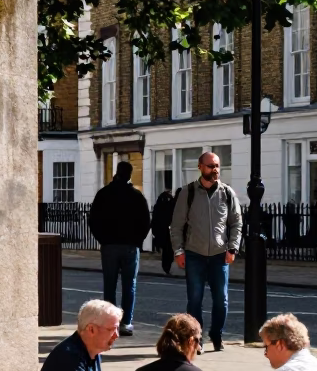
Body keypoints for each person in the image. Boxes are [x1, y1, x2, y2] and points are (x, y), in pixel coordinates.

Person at [169, 150, 242, 352]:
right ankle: (196, 339)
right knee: (195, 299)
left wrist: (233, 247)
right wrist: (178, 251)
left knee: (221, 299)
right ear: (200, 167)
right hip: (194, 254)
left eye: (217, 165)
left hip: (220, 254)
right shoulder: (188, 192)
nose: (215, 169)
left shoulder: (227, 193)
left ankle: (217, 335)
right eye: (211, 166)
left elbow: (236, 223)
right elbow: (176, 225)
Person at [88, 162, 151, 335]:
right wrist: (137, 240)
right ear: (130, 175)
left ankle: (110, 323)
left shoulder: (103, 194)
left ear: (116, 173)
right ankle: (126, 323)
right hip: (130, 246)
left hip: (109, 245)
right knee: (129, 285)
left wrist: (102, 239)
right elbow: (145, 221)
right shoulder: (137, 196)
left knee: (109, 285)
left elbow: (93, 220)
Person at [150, 186, 176, 275]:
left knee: (166, 250)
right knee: (168, 250)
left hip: (163, 231)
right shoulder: (170, 204)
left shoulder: (160, 205)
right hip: (168, 231)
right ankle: (167, 266)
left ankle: (166, 267)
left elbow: (155, 220)